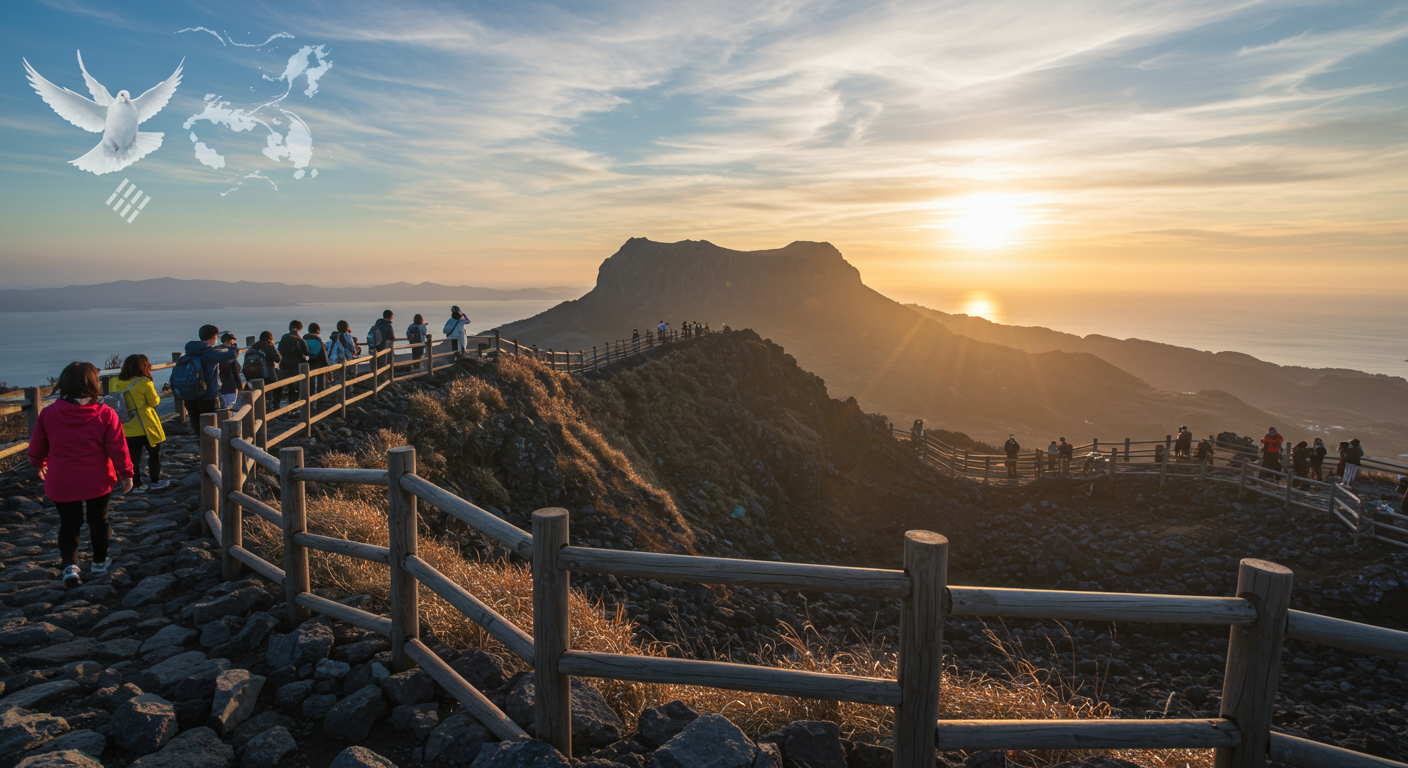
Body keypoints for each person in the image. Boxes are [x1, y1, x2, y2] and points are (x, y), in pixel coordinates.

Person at [28, 361, 133, 586]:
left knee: (69, 524)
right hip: (98, 479)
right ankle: (99, 562)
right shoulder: (106, 414)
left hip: (62, 480)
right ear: (94, 383)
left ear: (64, 383)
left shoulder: (49, 413)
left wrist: (38, 463)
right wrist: (126, 473)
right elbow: (118, 448)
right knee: (99, 521)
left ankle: (70, 568)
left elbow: (37, 446)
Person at [109, 354, 168, 494]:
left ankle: (136, 484)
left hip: (125, 427)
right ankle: (155, 481)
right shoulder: (144, 383)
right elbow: (154, 402)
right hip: (146, 426)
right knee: (154, 455)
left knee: (132, 458)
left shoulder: (114, 381)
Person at [176, 324, 241, 423]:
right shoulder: (210, 353)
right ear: (213, 337)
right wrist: (233, 345)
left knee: (196, 423)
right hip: (207, 395)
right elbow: (232, 354)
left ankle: (199, 433)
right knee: (209, 424)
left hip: (189, 395)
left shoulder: (190, 351)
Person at [249, 331, 282, 408]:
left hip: (253, 374)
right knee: (277, 387)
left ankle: (259, 408)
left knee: (258, 392)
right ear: (269, 339)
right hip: (267, 373)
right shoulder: (268, 346)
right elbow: (278, 358)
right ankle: (275, 407)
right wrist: (272, 346)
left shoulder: (253, 347)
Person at [215, 332, 243, 409]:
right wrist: (240, 387)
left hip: (219, 388)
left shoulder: (216, 353)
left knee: (222, 410)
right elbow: (235, 373)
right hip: (231, 388)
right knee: (231, 410)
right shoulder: (230, 357)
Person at [304, 323, 328, 404]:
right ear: (318, 331)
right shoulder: (318, 340)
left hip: (308, 363)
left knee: (310, 382)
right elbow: (323, 353)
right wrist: (326, 364)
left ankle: (310, 398)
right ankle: (320, 399)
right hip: (319, 364)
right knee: (321, 382)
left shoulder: (304, 339)